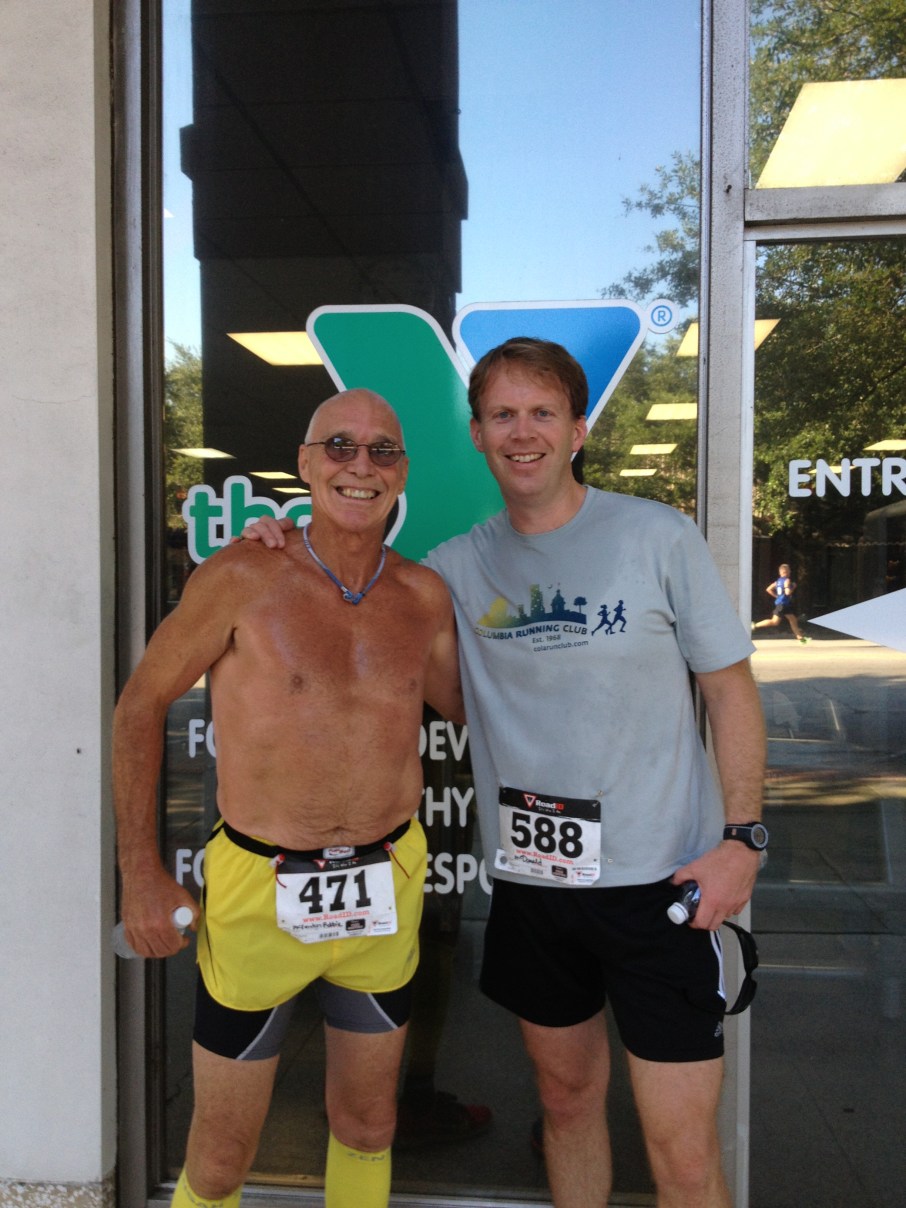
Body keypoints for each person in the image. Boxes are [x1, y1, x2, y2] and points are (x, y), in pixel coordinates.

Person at [245, 338, 767, 1208]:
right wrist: (279, 545)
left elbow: (731, 691)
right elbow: (349, 594)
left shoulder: (657, 537)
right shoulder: (453, 568)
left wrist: (742, 839)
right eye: (502, 415)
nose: (522, 432)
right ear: (479, 436)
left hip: (666, 887)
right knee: (564, 1103)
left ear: (578, 430)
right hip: (535, 889)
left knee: (681, 1152)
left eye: (542, 413)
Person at [113, 388, 463, 1208]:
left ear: (402, 471)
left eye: (382, 450)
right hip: (258, 884)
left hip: (384, 879)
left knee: (369, 1124)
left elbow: (473, 709)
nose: (360, 465)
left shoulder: (424, 596)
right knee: (222, 1153)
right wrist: (139, 871)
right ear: (306, 464)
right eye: (339, 445)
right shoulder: (241, 575)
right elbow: (140, 705)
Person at [752, 562, 810, 642]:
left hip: (782, 604)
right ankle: (755, 625)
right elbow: (787, 593)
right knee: (777, 621)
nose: (790, 572)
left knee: (790, 620)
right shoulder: (787, 580)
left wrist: (777, 596)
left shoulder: (778, 581)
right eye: (789, 570)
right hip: (783, 604)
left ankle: (800, 638)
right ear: (785, 572)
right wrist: (793, 587)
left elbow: (768, 589)